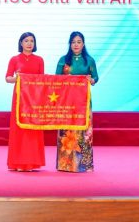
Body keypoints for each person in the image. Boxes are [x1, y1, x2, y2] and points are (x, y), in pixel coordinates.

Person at [55, 31, 99, 173]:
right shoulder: (63, 60)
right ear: (70, 44)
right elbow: (56, 79)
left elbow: (95, 78)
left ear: (83, 44)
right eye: (73, 42)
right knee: (66, 132)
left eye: (79, 42)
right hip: (66, 101)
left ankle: (84, 165)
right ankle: (65, 164)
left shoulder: (89, 60)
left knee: (84, 132)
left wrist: (91, 80)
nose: (76, 45)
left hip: (83, 101)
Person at [5, 32, 46, 171]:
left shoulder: (39, 60)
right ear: (21, 43)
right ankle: (17, 162)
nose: (29, 43)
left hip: (34, 98)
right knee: (19, 129)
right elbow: (8, 78)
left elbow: (42, 79)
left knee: (32, 128)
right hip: (20, 98)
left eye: (32, 41)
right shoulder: (14, 59)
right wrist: (16, 78)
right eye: (26, 41)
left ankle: (31, 162)